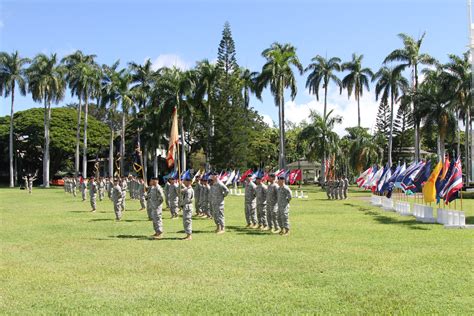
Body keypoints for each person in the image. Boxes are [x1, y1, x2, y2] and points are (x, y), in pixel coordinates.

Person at [180, 174, 194, 240]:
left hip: (187, 206)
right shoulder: (187, 189)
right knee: (186, 220)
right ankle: (188, 234)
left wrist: (181, 204)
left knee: (187, 221)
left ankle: (189, 235)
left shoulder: (189, 190)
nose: (184, 182)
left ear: (189, 182)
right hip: (186, 206)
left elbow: (187, 200)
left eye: (185, 181)